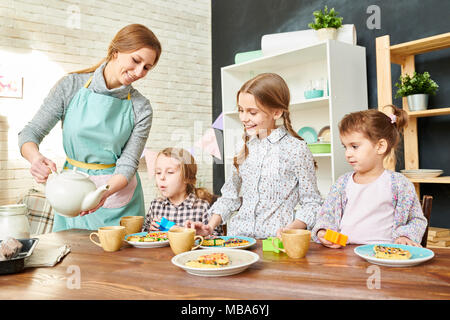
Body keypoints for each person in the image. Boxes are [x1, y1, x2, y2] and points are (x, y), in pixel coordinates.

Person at [18, 24, 162, 232]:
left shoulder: (141, 107)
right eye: (136, 60)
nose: (139, 72)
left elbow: (128, 163)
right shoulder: (71, 86)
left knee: (122, 264)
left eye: (147, 67)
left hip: (117, 196)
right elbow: (31, 133)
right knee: (71, 259)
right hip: (72, 194)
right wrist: (35, 158)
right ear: (115, 52)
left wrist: (102, 193)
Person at [185, 73, 322, 239]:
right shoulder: (244, 147)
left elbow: (312, 203)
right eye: (241, 110)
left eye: (252, 112)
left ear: (277, 112)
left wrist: (291, 230)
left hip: (274, 242)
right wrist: (209, 227)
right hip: (239, 239)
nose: (243, 118)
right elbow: (229, 196)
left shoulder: (296, 149)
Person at [312, 106, 428, 248]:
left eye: (354, 146)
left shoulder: (399, 184)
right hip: (344, 254)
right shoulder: (342, 183)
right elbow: (326, 214)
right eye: (345, 147)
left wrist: (405, 236)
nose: (348, 153)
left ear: (380, 146)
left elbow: (416, 219)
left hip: (384, 255)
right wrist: (323, 231)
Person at [142, 148, 223, 235]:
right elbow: (143, 233)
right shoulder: (156, 206)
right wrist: (150, 230)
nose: (161, 177)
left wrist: (185, 231)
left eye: (170, 172)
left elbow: (216, 237)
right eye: (158, 172)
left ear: (186, 178)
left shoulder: (201, 207)